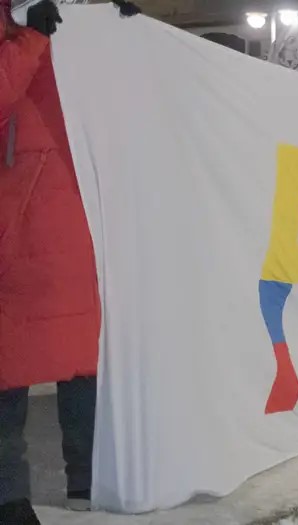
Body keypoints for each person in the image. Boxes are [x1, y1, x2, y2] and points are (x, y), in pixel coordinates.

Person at [0, 0, 137, 521]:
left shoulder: (70, 15)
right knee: (10, 366)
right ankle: (8, 496)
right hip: (19, 224)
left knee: (84, 358)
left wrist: (118, 30)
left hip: (75, 214)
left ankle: (90, 480)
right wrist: (31, 39)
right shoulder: (20, 26)